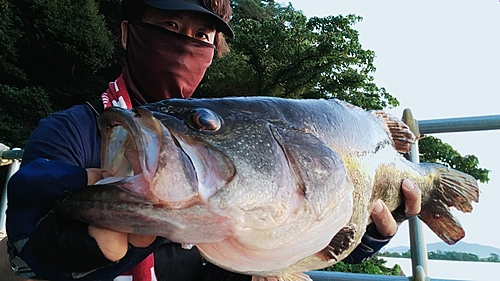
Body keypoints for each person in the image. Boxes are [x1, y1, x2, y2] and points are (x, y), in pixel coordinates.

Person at [2, 0, 421, 280]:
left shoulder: (233, 128)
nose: (185, 43)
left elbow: (275, 244)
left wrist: (352, 242)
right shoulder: (70, 130)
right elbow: (25, 252)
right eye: (169, 25)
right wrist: (64, 250)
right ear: (129, 34)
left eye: (202, 36)